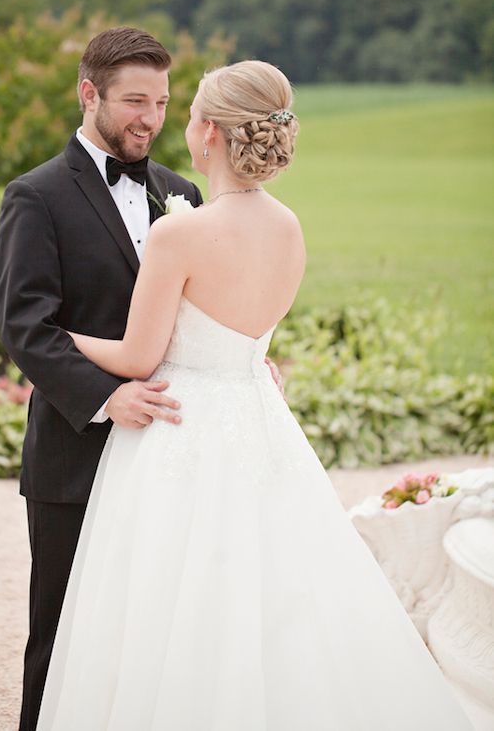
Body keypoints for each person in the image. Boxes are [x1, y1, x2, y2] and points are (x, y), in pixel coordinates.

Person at [35, 60, 473, 730]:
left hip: (180, 427)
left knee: (169, 598)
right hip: (260, 419)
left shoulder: (180, 231)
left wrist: (60, 332)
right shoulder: (289, 227)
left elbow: (137, 356)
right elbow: (250, 338)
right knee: (276, 586)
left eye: (186, 112)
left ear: (208, 132)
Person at [0, 27, 203, 731]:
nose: (151, 117)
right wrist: (108, 396)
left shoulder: (184, 193)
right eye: (135, 100)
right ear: (90, 94)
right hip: (73, 457)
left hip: (170, 455)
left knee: (156, 636)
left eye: (163, 102)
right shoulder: (36, 196)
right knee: (61, 634)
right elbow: (25, 324)